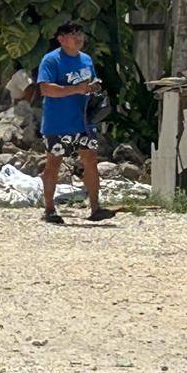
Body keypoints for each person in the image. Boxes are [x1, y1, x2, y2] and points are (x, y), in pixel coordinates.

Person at [37, 22, 115, 224]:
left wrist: (94, 88)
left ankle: (96, 207)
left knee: (90, 161)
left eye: (80, 34)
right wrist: (77, 90)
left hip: (84, 122)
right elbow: (46, 89)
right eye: (73, 34)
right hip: (58, 122)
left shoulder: (86, 59)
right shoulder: (51, 60)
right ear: (61, 39)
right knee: (53, 164)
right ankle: (49, 209)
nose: (79, 38)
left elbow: (90, 84)